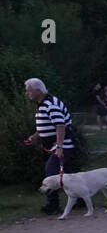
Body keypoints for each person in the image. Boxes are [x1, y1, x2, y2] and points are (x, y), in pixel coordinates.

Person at [24, 78, 78, 215]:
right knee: (69, 175)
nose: (27, 93)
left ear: (37, 90)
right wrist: (35, 137)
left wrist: (59, 147)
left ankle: (53, 205)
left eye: (29, 90)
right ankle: (80, 200)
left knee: (51, 171)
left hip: (63, 145)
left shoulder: (50, 104)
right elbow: (47, 125)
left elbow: (60, 126)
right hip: (57, 145)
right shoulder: (42, 104)